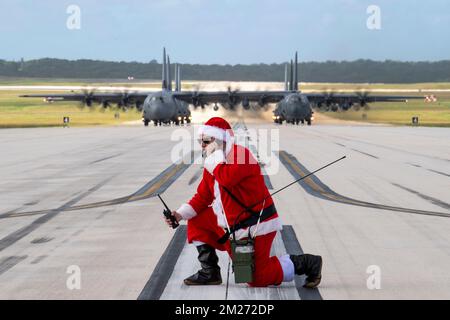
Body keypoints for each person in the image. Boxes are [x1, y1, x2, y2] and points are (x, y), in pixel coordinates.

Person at [165, 117, 322, 288]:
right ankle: (209, 271)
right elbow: (203, 197)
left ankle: (307, 263)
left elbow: (227, 179)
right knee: (196, 219)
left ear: (220, 139)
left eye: (206, 141)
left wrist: (213, 160)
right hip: (231, 225)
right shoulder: (214, 164)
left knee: (255, 279)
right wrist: (179, 215)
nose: (202, 145)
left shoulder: (241, 155)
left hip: (256, 226)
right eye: (200, 141)